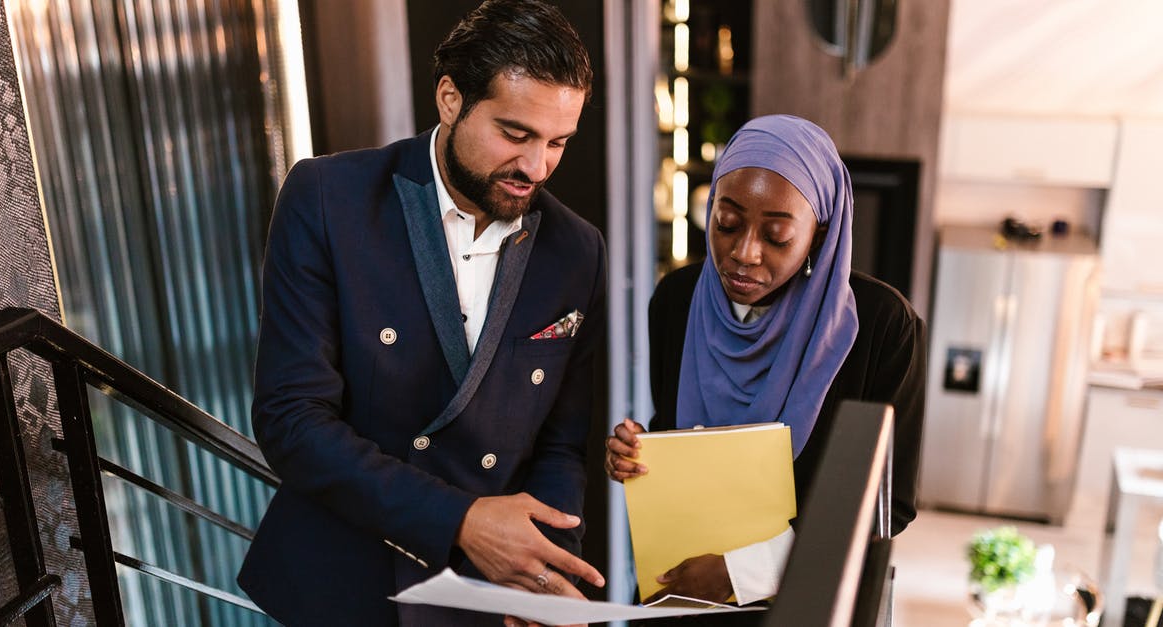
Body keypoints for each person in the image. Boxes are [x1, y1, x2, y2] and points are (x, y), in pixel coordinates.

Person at [238, 2, 607, 624]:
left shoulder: (578, 250)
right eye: (515, 134)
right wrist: (461, 522)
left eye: (558, 143)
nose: (536, 167)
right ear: (449, 98)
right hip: (346, 581)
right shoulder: (328, 198)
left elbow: (561, 447)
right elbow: (292, 420)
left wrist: (539, 575)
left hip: (482, 597)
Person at [605, 114, 926, 619]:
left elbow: (888, 509)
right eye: (726, 223)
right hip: (681, 594)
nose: (743, 253)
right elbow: (682, 433)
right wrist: (639, 456)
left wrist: (739, 571)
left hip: (802, 604)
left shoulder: (882, 328)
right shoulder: (677, 300)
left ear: (819, 237)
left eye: (776, 236)